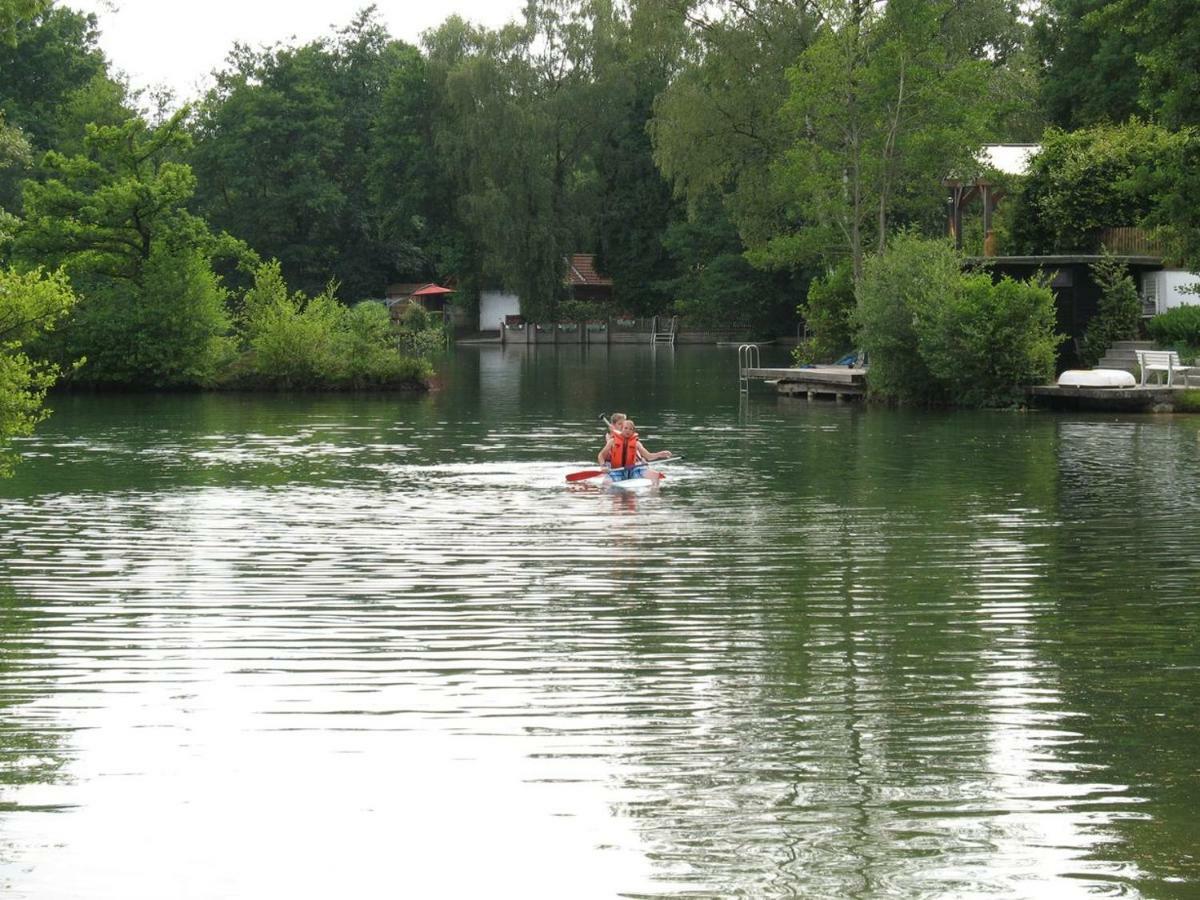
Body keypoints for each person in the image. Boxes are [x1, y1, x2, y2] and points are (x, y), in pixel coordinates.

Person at [598, 418, 672, 469]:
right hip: (615, 470)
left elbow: (648, 456)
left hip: (631, 469)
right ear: (622, 429)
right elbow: (601, 455)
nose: (628, 431)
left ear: (633, 431)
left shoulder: (636, 443)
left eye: (631, 429)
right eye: (626, 428)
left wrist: (661, 454)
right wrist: (603, 465)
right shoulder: (612, 441)